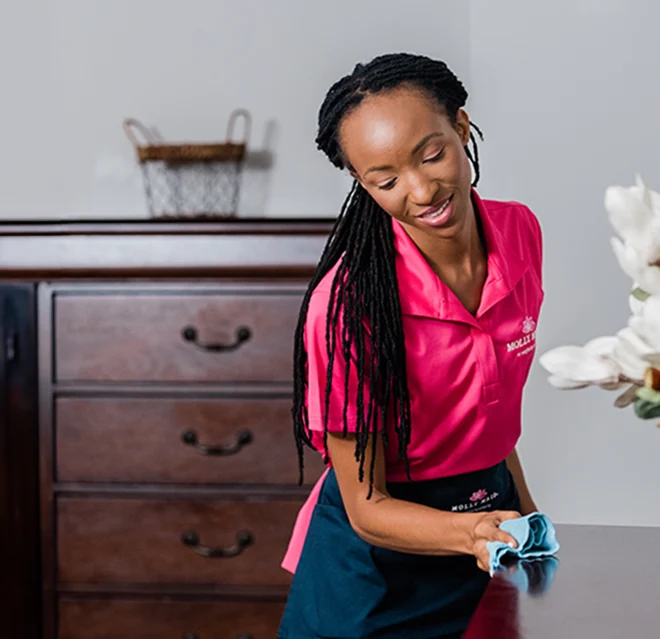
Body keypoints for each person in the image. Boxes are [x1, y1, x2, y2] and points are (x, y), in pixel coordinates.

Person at [277, 52, 544, 639]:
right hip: (376, 576)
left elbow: (488, 426)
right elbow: (367, 506)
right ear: (359, 181)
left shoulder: (520, 234)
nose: (422, 191)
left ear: (462, 128)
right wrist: (475, 532)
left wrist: (531, 531)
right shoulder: (351, 306)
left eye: (432, 154)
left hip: (487, 533)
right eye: (386, 180)